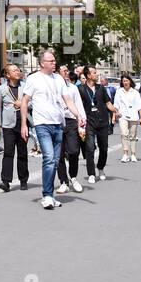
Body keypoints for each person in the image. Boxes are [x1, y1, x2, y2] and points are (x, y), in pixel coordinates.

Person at [20, 49, 87, 209]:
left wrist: (78, 115)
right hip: (42, 124)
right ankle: (47, 195)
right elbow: (24, 102)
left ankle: (50, 195)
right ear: (42, 63)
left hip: (58, 125)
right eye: (51, 61)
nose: (54, 62)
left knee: (55, 161)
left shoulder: (58, 79)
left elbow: (68, 100)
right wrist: (24, 124)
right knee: (49, 159)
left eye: (54, 60)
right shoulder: (33, 79)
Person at [0, 63, 28, 191]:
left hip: (23, 124)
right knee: (8, 152)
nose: (17, 72)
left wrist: (23, 104)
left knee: (22, 153)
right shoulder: (2, 89)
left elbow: (33, 103)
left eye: (18, 70)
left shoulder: (25, 87)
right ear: (7, 75)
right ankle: (5, 181)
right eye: (14, 71)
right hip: (8, 125)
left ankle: (23, 179)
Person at [78, 65, 115, 183]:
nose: (97, 74)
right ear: (88, 75)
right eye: (94, 73)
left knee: (103, 148)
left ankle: (100, 167)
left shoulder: (101, 88)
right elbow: (78, 106)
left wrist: (115, 111)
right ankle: (91, 173)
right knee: (89, 148)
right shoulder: (81, 89)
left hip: (103, 121)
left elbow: (108, 103)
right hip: (89, 122)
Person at [55, 63, 86, 194]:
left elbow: (78, 105)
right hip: (56, 122)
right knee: (59, 154)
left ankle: (73, 177)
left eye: (68, 70)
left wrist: (82, 123)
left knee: (74, 151)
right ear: (57, 73)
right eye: (64, 71)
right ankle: (63, 181)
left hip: (71, 121)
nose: (67, 73)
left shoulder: (73, 88)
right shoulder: (53, 87)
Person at [114, 73, 141, 162]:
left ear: (130, 81)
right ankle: (125, 154)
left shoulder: (135, 92)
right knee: (124, 134)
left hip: (134, 116)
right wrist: (115, 114)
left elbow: (139, 106)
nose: (125, 82)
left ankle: (133, 154)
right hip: (122, 116)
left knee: (133, 136)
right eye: (123, 81)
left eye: (127, 80)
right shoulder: (119, 91)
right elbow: (116, 104)